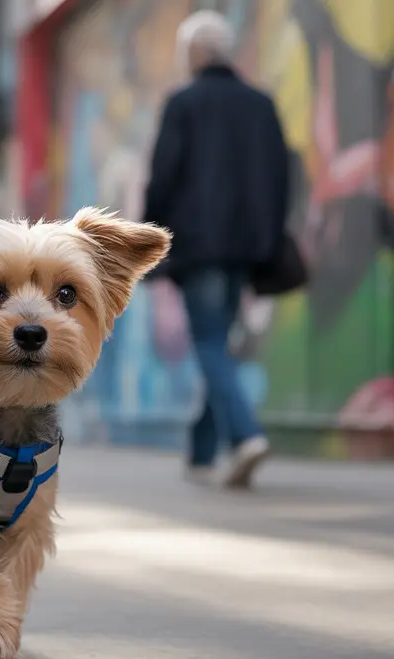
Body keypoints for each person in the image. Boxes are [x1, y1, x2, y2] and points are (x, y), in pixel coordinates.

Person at [142, 11, 290, 490]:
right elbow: (282, 178)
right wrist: (268, 241)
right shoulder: (261, 105)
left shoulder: (183, 104)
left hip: (199, 247)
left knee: (208, 342)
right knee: (217, 345)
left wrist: (147, 241)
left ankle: (246, 436)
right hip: (247, 248)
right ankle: (202, 452)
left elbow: (163, 177)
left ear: (197, 53)